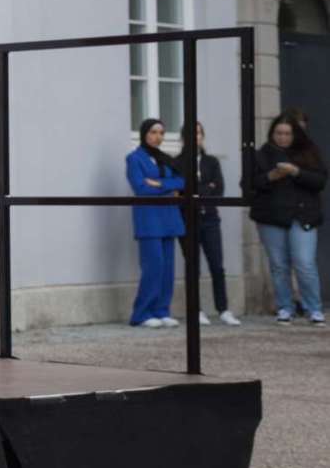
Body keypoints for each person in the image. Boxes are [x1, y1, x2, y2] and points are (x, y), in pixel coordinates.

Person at [250, 111, 325, 325]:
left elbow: (320, 181)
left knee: (304, 262)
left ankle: (314, 308)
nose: (282, 137)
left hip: (301, 216)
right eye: (278, 133)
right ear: (272, 133)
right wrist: (270, 177)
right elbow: (249, 184)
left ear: (295, 134)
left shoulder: (308, 152)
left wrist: (296, 172)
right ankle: (285, 307)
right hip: (271, 216)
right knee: (278, 265)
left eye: (287, 133)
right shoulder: (262, 154)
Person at [177, 121, 241, 326]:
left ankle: (223, 309)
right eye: (190, 133)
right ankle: (195, 310)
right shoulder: (177, 162)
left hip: (210, 219)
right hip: (188, 219)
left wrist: (199, 189)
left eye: (198, 133)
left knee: (217, 265)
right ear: (183, 138)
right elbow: (182, 190)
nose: (195, 137)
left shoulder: (211, 162)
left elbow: (218, 189)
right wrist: (205, 187)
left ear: (202, 136)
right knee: (193, 266)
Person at [126, 117, 186, 328]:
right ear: (144, 134)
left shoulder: (165, 158)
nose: (157, 137)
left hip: (169, 217)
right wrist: (168, 188)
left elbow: (182, 181)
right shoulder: (134, 158)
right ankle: (141, 313)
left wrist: (159, 183)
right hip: (149, 218)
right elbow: (140, 188)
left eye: (161, 132)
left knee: (168, 267)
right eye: (153, 132)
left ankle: (162, 310)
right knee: (154, 266)